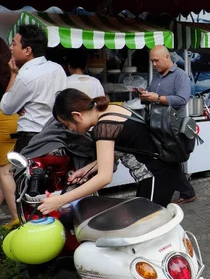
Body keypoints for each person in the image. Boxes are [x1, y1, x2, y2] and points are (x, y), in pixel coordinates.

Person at [37, 88, 183, 215]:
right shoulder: (110, 110)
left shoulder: (104, 127)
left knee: (146, 228)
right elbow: (121, 150)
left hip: (156, 176)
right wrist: (86, 170)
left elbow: (104, 178)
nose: (70, 129)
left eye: (66, 124)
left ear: (76, 115)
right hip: (165, 170)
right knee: (148, 224)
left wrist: (61, 200)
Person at [139, 45, 196, 204]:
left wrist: (157, 98)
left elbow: (182, 99)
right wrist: (145, 95)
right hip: (158, 124)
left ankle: (186, 191)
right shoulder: (156, 77)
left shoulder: (180, 76)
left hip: (174, 126)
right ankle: (185, 191)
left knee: (172, 158)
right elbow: (153, 96)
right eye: (152, 61)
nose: (154, 64)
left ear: (167, 58)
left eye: (156, 60)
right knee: (165, 158)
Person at [1, 24, 67, 152]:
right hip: (57, 137)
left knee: (25, 172)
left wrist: (13, 74)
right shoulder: (57, 68)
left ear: (27, 50)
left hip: (31, 138)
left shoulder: (26, 75)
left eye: (14, 44)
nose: (10, 48)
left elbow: (6, 107)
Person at [0, 38, 19, 228]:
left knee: (4, 171)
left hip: (3, 119)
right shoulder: (13, 68)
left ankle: (15, 216)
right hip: (17, 120)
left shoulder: (13, 72)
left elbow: (5, 100)